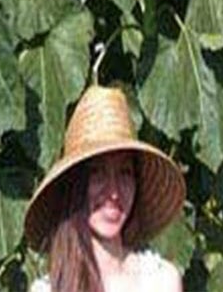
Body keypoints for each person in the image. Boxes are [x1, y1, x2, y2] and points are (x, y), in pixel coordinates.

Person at [25, 84, 186, 292]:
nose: (114, 192)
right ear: (75, 184)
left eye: (125, 173)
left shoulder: (161, 281)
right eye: (97, 172)